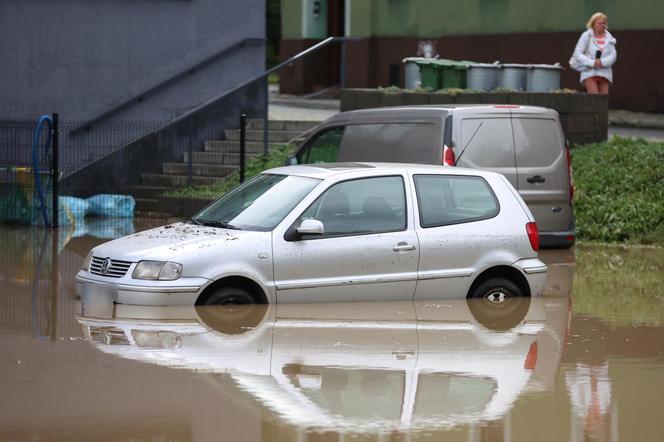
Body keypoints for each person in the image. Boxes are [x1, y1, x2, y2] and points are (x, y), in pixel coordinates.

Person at [572, 12, 617, 94]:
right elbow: (578, 53)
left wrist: (602, 62)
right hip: (589, 72)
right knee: (594, 97)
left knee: (604, 99)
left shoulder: (609, 37)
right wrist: (592, 63)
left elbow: (613, 55)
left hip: (605, 73)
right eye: (599, 23)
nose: (602, 25)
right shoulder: (586, 35)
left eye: (604, 23)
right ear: (593, 25)